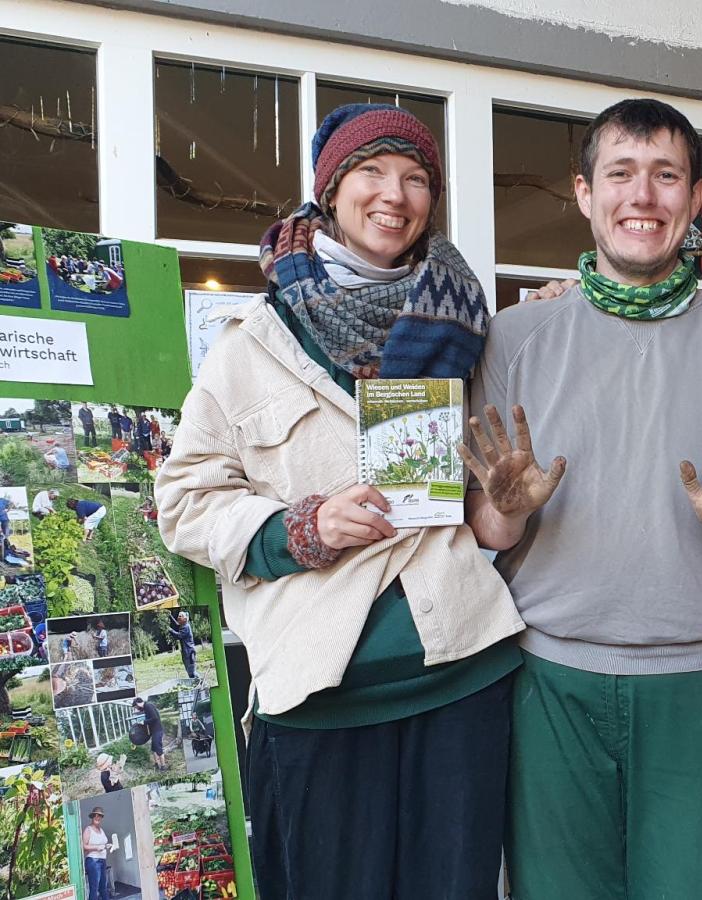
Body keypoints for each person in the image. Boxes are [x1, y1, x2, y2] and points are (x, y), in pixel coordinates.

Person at [156, 103, 523, 899]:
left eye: (417, 177)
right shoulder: (253, 343)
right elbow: (183, 500)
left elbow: (482, 501)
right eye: (371, 172)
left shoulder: (468, 322)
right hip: (320, 696)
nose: (395, 194)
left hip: (461, 674)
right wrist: (304, 527)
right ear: (330, 190)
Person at [462, 98, 702, 900]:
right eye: (620, 174)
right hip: (551, 681)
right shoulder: (516, 338)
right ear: (584, 193)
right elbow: (485, 527)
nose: (642, 197)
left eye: (666, 176)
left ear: (696, 200)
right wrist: (507, 510)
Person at [82, 806, 112, 900]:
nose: (97, 817)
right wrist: (96, 848)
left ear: (101, 818)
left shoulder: (101, 830)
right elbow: (84, 846)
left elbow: (102, 844)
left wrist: (107, 846)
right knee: (94, 889)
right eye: (95, 815)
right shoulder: (88, 829)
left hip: (102, 861)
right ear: (92, 817)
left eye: (99, 815)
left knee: (103, 887)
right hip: (93, 861)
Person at [132, 697, 167, 770]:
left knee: (158, 748)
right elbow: (150, 718)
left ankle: (163, 766)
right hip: (154, 731)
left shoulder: (148, 706)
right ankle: (157, 764)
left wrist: (144, 722)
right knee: (154, 748)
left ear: (138, 703)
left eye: (136, 707)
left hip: (157, 730)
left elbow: (155, 718)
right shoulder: (146, 707)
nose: (137, 709)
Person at [167, 610, 196, 679]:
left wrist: (169, 629)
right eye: (178, 616)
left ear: (185, 619)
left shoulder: (186, 627)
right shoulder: (184, 625)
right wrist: (170, 616)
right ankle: (197, 683)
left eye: (181, 616)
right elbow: (177, 624)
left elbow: (179, 636)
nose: (178, 617)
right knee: (190, 672)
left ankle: (201, 683)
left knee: (192, 672)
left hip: (189, 653)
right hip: (186, 652)